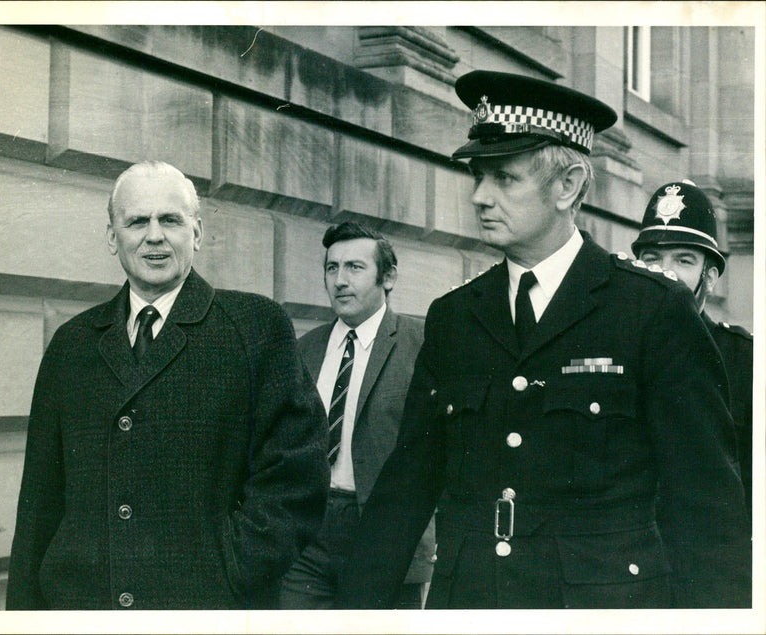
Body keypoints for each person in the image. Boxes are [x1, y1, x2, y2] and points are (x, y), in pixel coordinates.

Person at [339, 71, 751, 609]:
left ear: (568, 186)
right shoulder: (454, 317)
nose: (481, 197)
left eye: (504, 178)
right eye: (478, 178)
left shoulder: (652, 310)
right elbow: (406, 489)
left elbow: (705, 510)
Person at [5, 160, 330, 610]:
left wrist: (228, 572)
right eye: (137, 221)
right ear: (111, 236)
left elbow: (296, 478)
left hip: (204, 608)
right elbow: (39, 502)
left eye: (170, 220)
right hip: (83, 609)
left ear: (196, 233)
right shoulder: (72, 344)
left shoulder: (254, 327)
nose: (154, 236)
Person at [279, 221, 435, 609]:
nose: (340, 281)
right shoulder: (305, 349)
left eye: (355, 267)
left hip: (386, 535)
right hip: (309, 532)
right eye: (332, 268)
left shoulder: (422, 345)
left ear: (389, 277)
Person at [632, 180, 753, 519]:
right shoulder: (612, 349)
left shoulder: (744, 359)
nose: (664, 272)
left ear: (710, 277)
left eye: (684, 260)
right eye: (652, 257)